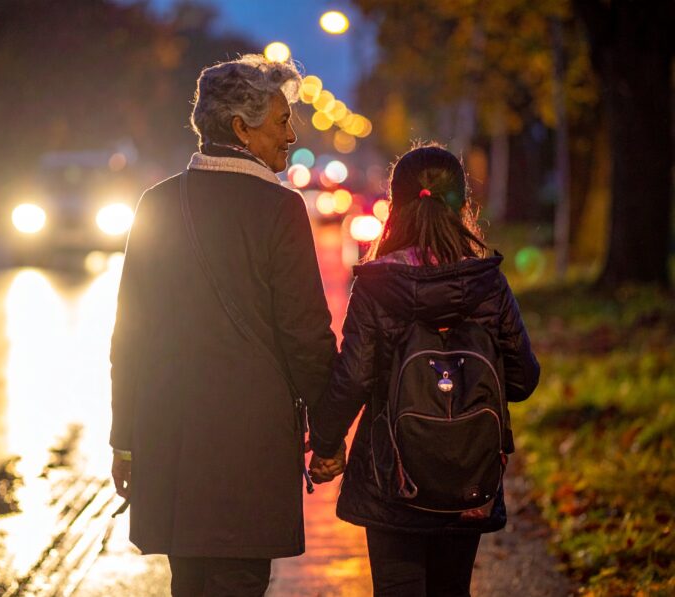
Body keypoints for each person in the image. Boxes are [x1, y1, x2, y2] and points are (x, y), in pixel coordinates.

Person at [109, 55, 338, 596]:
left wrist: (125, 443)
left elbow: (129, 338)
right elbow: (307, 337)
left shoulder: (156, 204)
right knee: (240, 580)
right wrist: (328, 436)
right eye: (282, 121)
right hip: (250, 447)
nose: (291, 133)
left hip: (172, 440)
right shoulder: (280, 210)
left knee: (188, 582)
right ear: (242, 127)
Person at [308, 144, 540, 596]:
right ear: (463, 204)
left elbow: (353, 377)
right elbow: (523, 378)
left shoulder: (377, 284)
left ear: (397, 206)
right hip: (467, 472)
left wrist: (325, 444)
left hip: (392, 476)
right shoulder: (486, 281)